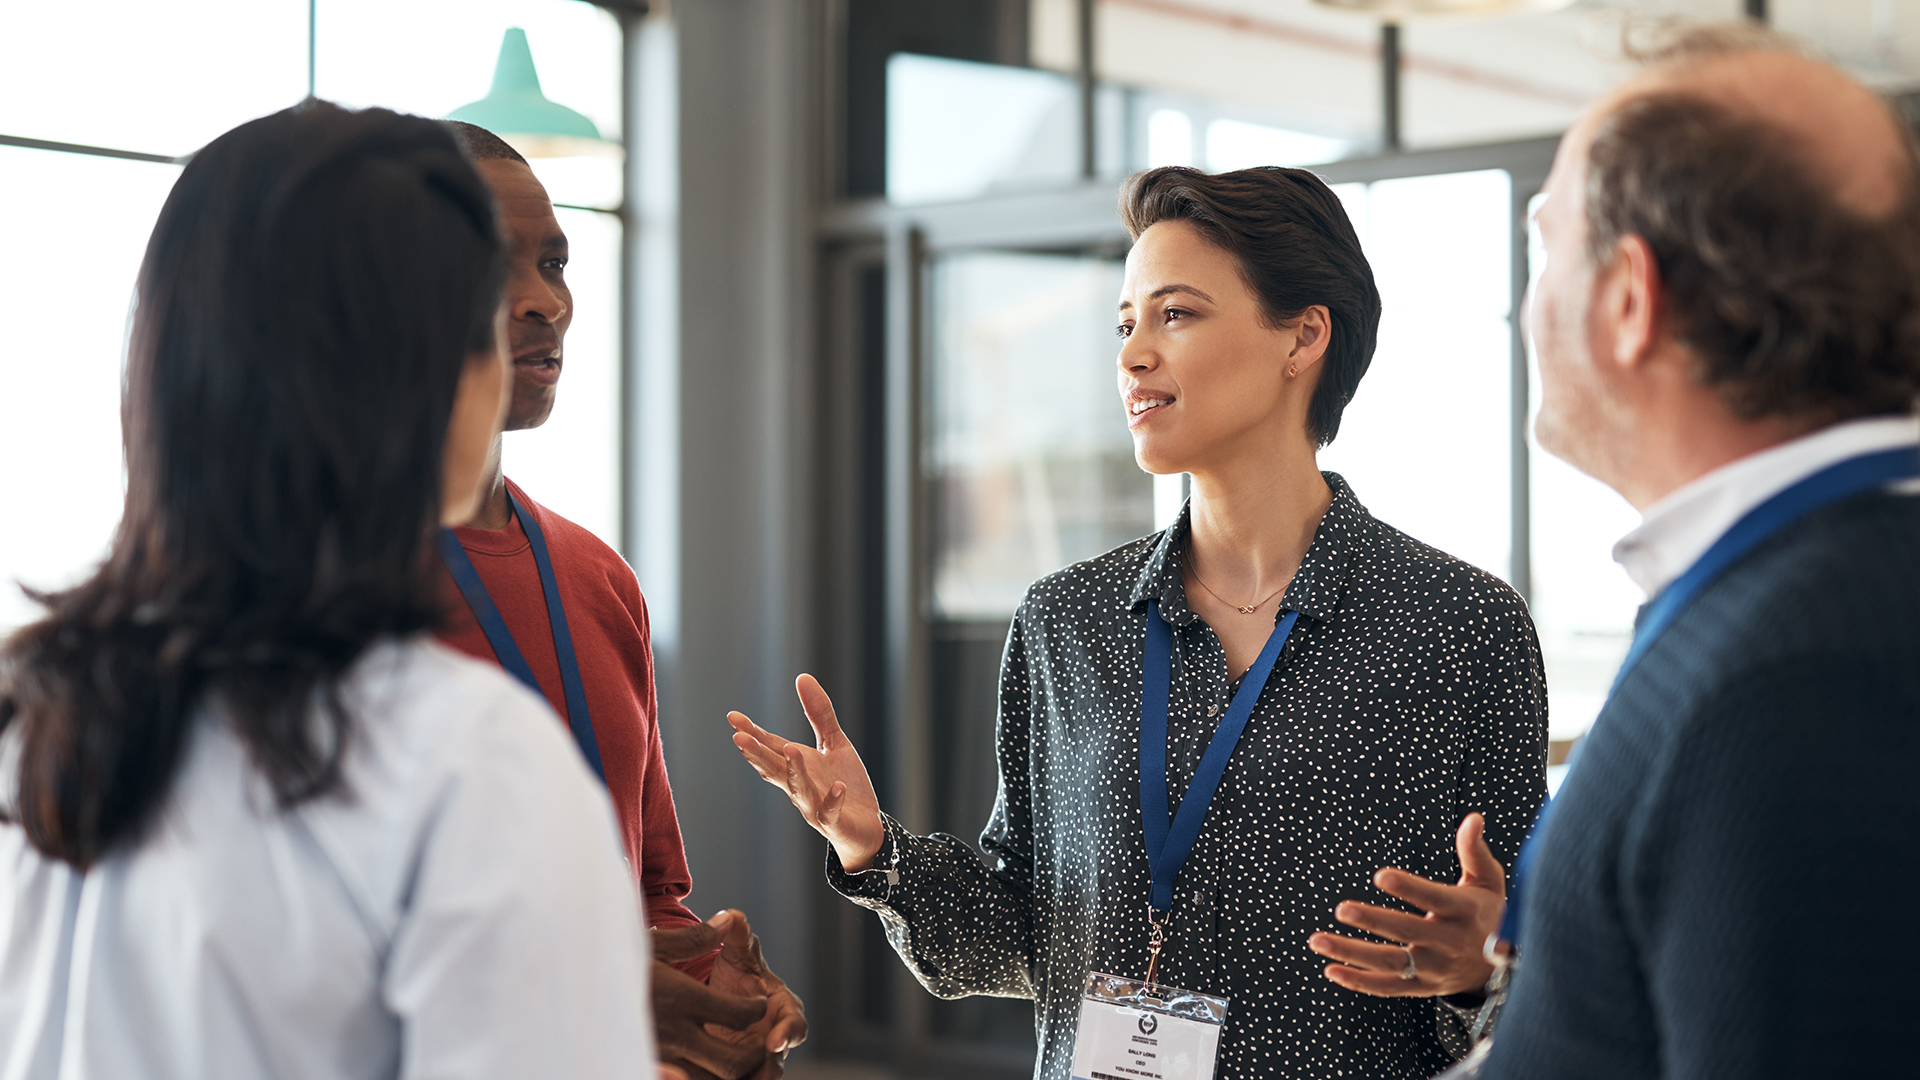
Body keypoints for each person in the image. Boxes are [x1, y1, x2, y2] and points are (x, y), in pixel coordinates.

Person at [729, 166, 1549, 1079]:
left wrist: (1486, 973)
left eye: (1177, 314)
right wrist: (870, 844)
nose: (1131, 356)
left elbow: (1550, 979)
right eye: (1126, 324)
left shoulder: (1460, 628)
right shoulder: (1067, 621)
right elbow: (1023, 937)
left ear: (1304, 335)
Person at [0, 102, 672, 1079]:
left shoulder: (42, 714)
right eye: (475, 295)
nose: (539, 308)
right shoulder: (466, 764)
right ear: (410, 361)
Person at [1474, 25, 1920, 1079]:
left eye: (1547, 244)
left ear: (1630, 298)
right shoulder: (1805, 593)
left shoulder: (1793, 674)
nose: (1521, 306)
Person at [435, 122, 804, 1080]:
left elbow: (643, 893)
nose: (542, 303)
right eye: (487, 267)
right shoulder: (316, 589)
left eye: (555, 263)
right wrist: (580, 986)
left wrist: (717, 987)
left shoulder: (597, 577)